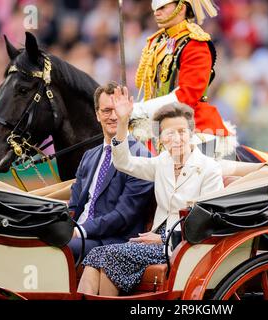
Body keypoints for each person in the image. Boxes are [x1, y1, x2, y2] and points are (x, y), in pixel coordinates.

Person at [77, 86, 224, 296]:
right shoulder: (162, 163)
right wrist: (123, 121)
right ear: (161, 139)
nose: (177, 138)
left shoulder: (208, 168)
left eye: (182, 132)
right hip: (154, 243)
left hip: (183, 246)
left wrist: (164, 239)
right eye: (169, 133)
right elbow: (123, 162)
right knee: (96, 256)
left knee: (106, 256)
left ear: (191, 134)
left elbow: (208, 222)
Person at [131, 0, 237, 158]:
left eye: (162, 8)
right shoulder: (157, 42)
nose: (156, 12)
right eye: (155, 9)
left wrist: (140, 109)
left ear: (181, 8)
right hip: (157, 122)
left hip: (191, 123)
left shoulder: (195, 44)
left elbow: (186, 96)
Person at [67, 82, 154, 262]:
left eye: (118, 110)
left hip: (113, 240)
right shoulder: (89, 156)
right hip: (78, 233)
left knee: (61, 248)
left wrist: (79, 231)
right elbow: (74, 205)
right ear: (97, 115)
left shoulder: (140, 156)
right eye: (107, 111)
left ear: (127, 113)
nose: (114, 116)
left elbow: (123, 215)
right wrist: (63, 226)